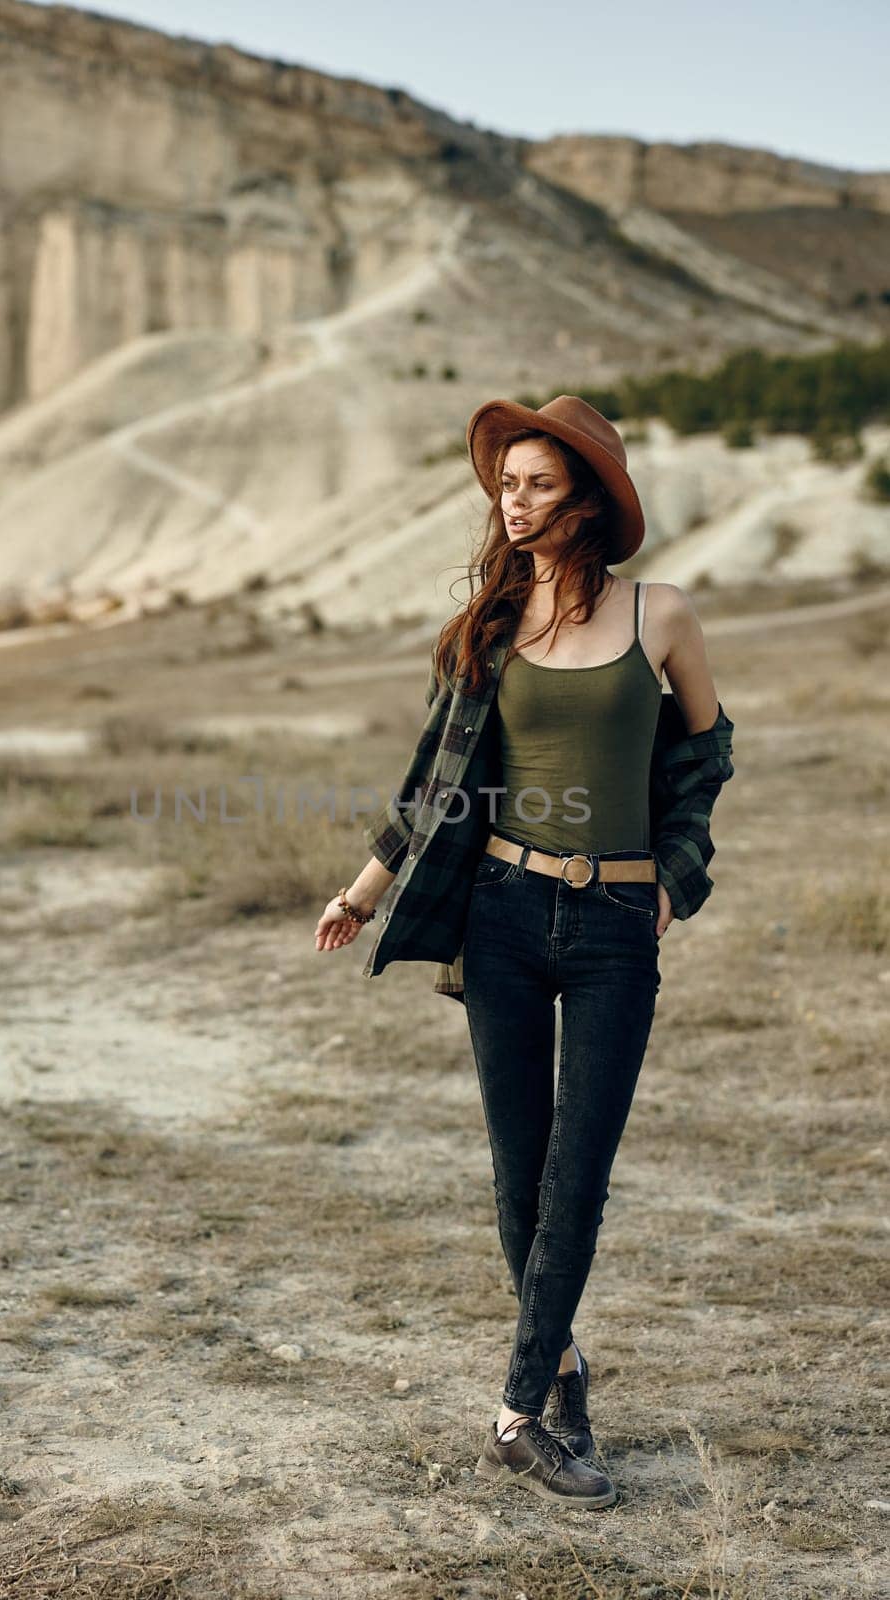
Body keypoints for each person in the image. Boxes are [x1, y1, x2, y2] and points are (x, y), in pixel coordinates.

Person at [314, 395, 735, 1510]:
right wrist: (361, 891)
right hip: (500, 911)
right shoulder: (489, 629)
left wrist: (673, 879)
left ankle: (514, 1414)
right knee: (518, 1180)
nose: (514, 499)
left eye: (538, 482)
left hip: (610, 929)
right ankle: (556, 1372)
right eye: (506, 482)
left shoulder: (662, 616)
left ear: (588, 499)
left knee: (575, 1176)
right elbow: (432, 777)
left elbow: (707, 755)